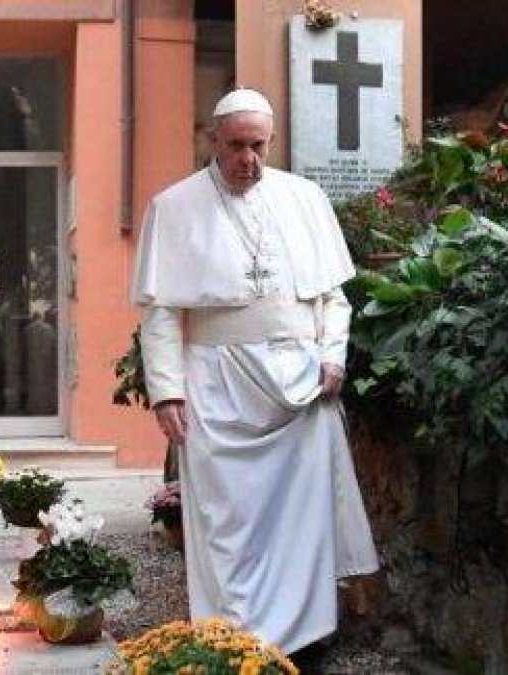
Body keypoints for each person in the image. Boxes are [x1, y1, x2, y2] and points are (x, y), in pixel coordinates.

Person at [131, 88, 379, 662]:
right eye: (237, 145)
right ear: (212, 141)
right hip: (218, 388)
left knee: (302, 521)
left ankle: (307, 638)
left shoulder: (305, 199)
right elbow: (162, 312)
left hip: (298, 388)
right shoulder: (174, 207)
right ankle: (232, 640)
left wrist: (332, 356)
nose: (249, 159)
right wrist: (166, 390)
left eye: (259, 145)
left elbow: (332, 298)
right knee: (228, 522)